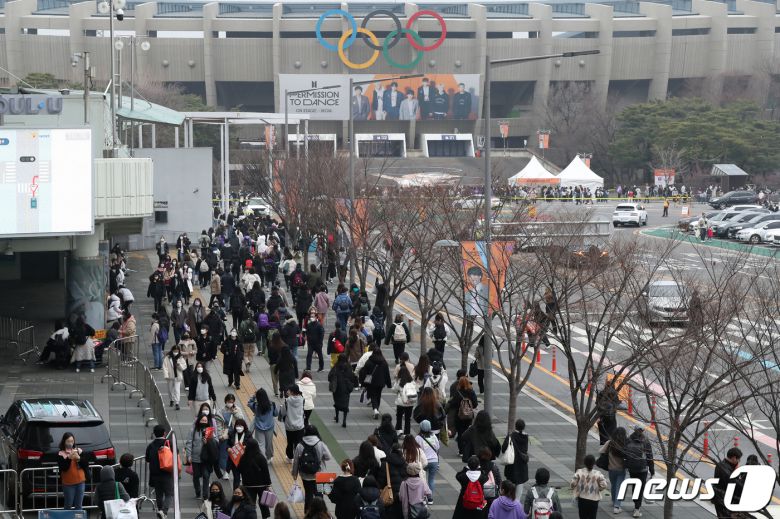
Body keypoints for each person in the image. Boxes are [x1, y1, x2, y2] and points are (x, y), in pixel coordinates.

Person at [292, 424, 333, 512]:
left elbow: (296, 461)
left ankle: (308, 513)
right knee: (319, 494)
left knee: (308, 494)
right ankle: (320, 512)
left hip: (305, 475)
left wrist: (294, 474)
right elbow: (328, 457)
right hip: (320, 474)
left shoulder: (300, 445)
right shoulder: (320, 443)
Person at [187, 412, 220, 499]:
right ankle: (198, 492)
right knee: (196, 476)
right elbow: (189, 443)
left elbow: (216, 442)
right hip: (196, 458)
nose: (204, 422)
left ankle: (205, 495)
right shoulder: (193, 430)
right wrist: (189, 455)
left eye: (205, 420)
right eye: (202, 420)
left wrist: (208, 441)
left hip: (207, 458)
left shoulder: (210, 430)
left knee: (206, 476)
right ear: (198, 421)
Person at [623, 426, 654, 518]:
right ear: (642, 431)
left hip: (632, 468)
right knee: (640, 488)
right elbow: (650, 457)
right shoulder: (646, 441)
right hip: (642, 469)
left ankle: (636, 504)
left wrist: (626, 465)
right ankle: (637, 508)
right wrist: (652, 470)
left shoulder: (628, 440)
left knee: (634, 486)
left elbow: (625, 453)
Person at [238, 439, 273, 518]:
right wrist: (268, 484)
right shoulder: (261, 458)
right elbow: (266, 472)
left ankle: (251, 516)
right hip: (262, 485)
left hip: (248, 485)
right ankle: (265, 517)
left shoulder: (243, 458)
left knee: (250, 503)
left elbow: (239, 469)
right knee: (263, 503)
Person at [145, 425, 174, 515]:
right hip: (166, 473)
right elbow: (175, 453)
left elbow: (147, 459)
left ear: (154, 434)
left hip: (155, 474)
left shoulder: (151, 445)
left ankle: (160, 510)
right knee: (169, 494)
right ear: (164, 433)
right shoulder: (168, 443)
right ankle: (164, 512)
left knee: (159, 494)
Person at [57, 432, 90, 510]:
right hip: (68, 483)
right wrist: (69, 458)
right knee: (68, 504)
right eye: (68, 441)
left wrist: (79, 458)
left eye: (72, 441)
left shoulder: (78, 450)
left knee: (79, 506)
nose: (70, 443)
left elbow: (86, 464)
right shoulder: (61, 453)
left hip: (80, 482)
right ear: (64, 442)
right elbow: (63, 468)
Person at [359, 345, 392, 420]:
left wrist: (362, 382)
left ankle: (375, 409)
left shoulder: (369, 361)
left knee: (373, 395)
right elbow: (387, 373)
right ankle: (377, 408)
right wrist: (389, 384)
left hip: (371, 382)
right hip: (381, 383)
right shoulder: (384, 362)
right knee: (378, 395)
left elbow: (364, 372)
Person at [570, 454, 608, 519]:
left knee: (582, 516)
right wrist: (598, 489)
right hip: (594, 499)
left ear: (584, 463)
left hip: (582, 498)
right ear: (594, 463)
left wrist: (575, 488)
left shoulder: (579, 472)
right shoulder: (598, 474)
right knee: (592, 516)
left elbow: (573, 483)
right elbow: (604, 485)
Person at [599, 426, 627, 513]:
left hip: (611, 468)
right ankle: (617, 506)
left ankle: (614, 501)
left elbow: (601, 451)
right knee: (619, 487)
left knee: (614, 485)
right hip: (621, 469)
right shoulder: (625, 444)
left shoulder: (610, 443)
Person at [217, 394, 245, 478]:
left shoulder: (237, 409)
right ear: (225, 401)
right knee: (224, 453)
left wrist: (235, 413)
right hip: (225, 434)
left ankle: (238, 473)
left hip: (235, 434)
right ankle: (226, 471)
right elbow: (218, 423)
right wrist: (220, 435)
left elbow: (241, 420)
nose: (230, 403)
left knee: (237, 453)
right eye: (229, 402)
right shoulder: (221, 411)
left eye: (232, 402)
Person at [449, 377, 479, 455]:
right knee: (468, 431)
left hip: (459, 416)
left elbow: (452, 404)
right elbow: (475, 404)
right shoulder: (471, 392)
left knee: (460, 433)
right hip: (469, 417)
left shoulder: (457, 392)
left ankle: (461, 451)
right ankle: (468, 449)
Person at [248, 388, 278, 462]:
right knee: (269, 443)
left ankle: (262, 458)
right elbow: (276, 414)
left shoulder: (255, 405)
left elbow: (249, 403)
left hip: (258, 427)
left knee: (259, 443)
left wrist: (253, 397)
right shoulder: (272, 404)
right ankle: (269, 456)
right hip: (269, 427)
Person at [328, 354, 357, 428]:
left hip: (337, 387)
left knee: (337, 402)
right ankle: (344, 420)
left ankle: (337, 417)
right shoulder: (349, 367)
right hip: (346, 388)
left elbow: (330, 376)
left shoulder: (336, 366)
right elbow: (352, 377)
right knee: (345, 404)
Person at [713, 447, 742, 519]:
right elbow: (734, 484)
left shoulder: (722, 465)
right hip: (723, 499)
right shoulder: (725, 469)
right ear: (734, 458)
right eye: (738, 459)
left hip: (720, 498)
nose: (739, 461)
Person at [281, 385, 306, 462]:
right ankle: (298, 457)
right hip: (300, 425)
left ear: (292, 392)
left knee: (290, 442)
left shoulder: (287, 400)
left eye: (289, 390)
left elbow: (283, 412)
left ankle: (290, 457)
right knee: (298, 442)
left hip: (289, 426)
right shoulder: (302, 399)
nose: (287, 391)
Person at [501, 419, 529, 487]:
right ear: (523, 427)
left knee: (510, 487)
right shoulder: (525, 437)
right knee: (519, 487)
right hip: (522, 466)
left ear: (515, 426)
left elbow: (503, 449)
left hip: (511, 465)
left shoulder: (511, 436)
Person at [394, 363, 417, 436]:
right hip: (410, 402)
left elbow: (394, 389)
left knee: (399, 416)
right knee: (408, 419)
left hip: (401, 402)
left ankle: (399, 430)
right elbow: (416, 389)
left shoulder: (399, 381)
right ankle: (407, 433)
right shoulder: (412, 381)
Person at [162, 344, 187, 410]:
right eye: (174, 350)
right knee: (170, 390)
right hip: (170, 377)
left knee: (177, 390)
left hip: (177, 377)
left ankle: (177, 403)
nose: (176, 352)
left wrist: (179, 365)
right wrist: (166, 375)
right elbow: (165, 367)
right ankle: (171, 400)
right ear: (172, 350)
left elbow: (184, 367)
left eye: (177, 351)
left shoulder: (181, 358)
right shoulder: (168, 357)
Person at [226, 418, 249, 489]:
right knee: (236, 477)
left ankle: (245, 493)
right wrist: (228, 448)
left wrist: (246, 447)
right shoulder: (231, 434)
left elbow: (251, 445)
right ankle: (235, 492)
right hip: (234, 460)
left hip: (244, 460)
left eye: (241, 426)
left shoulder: (248, 434)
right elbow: (227, 444)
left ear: (244, 427)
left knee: (246, 478)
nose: (239, 428)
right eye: (237, 426)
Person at [479, 446, 502, 512]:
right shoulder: (492, 465)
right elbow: (498, 478)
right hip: (491, 493)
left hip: (479, 492)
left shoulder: (477, 464)